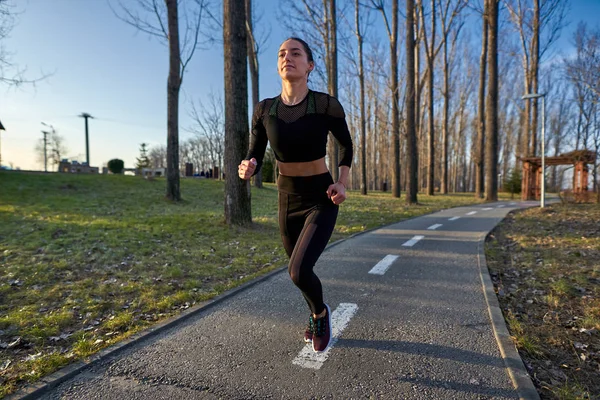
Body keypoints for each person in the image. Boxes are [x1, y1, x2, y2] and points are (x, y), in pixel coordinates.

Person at [238, 37, 353, 353]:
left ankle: (320, 314)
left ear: (310, 65)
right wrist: (249, 165)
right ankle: (315, 313)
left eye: (296, 53)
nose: (287, 57)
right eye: (281, 54)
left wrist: (342, 183)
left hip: (321, 196)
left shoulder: (325, 104)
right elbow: (255, 152)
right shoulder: (265, 110)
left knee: (297, 270)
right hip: (286, 198)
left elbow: (346, 145)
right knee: (299, 270)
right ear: (278, 65)